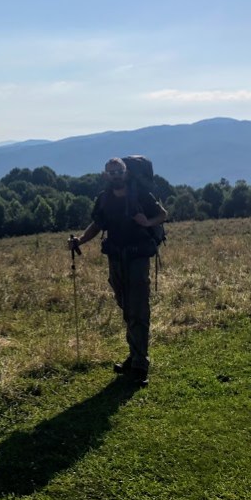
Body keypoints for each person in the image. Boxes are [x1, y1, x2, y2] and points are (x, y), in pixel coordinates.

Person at [68, 157, 168, 385]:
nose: (115, 176)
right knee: (126, 307)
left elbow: (163, 215)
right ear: (106, 175)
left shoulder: (141, 196)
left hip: (138, 258)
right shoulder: (104, 199)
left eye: (119, 171)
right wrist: (80, 240)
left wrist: (146, 223)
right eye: (111, 172)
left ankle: (141, 364)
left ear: (126, 173)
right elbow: (97, 225)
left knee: (138, 309)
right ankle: (134, 356)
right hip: (116, 258)